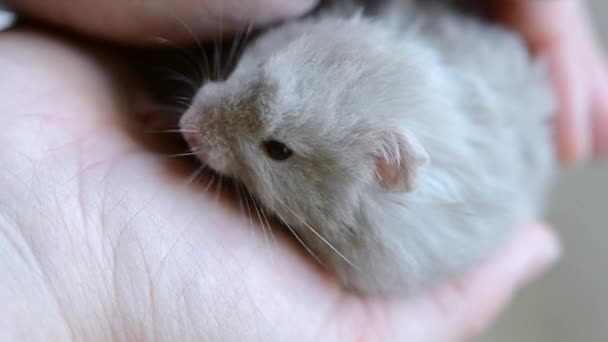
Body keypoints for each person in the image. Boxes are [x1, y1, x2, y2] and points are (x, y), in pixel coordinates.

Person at [2, 0, 605, 340]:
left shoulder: (391, 227)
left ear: (383, 175)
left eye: (278, 150)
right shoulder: (345, 33)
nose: (197, 119)